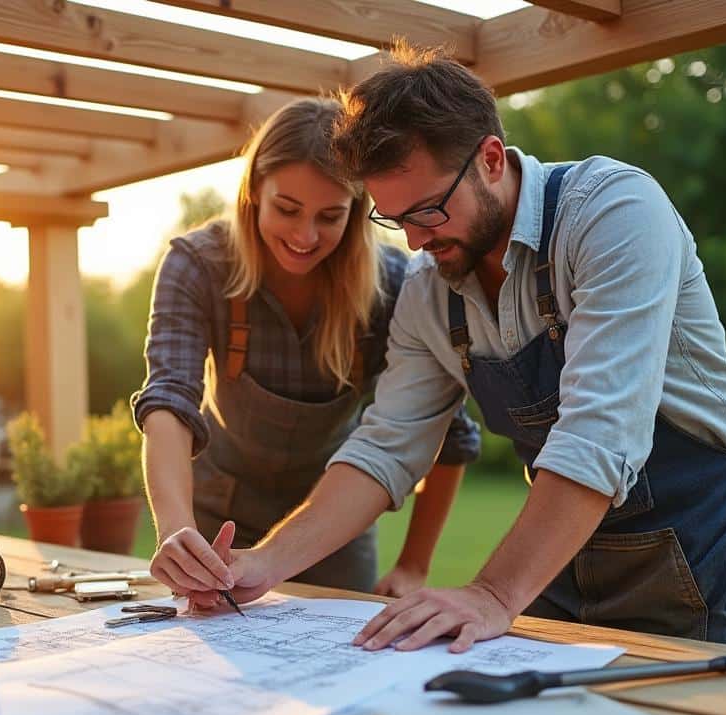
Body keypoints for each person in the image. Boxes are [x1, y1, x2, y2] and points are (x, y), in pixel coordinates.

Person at [202, 47, 726, 651]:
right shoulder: (428, 293)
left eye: (429, 209)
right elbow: (385, 447)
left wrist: (495, 594)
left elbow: (599, 430)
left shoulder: (613, 212)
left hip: (706, 537)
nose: (415, 239)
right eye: (394, 217)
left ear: (488, 158)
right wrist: (267, 563)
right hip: (561, 550)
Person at [132, 97, 481, 602]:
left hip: (334, 526)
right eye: (287, 209)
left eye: (330, 216)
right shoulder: (197, 265)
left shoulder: (395, 284)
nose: (304, 235)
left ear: (358, 211)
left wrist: (413, 565)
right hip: (214, 515)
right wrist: (174, 530)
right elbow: (168, 401)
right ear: (255, 191)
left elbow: (448, 432)